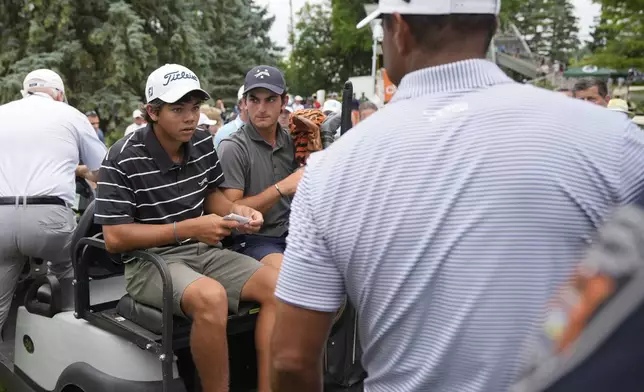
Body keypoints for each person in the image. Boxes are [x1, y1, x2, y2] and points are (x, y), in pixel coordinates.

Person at [269, 1, 644, 392]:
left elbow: (291, 359)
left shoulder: (332, 169)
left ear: (399, 29)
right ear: (492, 25)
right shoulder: (614, 139)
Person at [95, 63, 278, 392]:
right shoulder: (121, 156)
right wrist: (189, 228)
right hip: (149, 262)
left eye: (193, 108)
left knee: (282, 287)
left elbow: (211, 197)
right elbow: (114, 238)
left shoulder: (202, 142)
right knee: (211, 297)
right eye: (177, 109)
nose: (190, 117)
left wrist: (238, 212)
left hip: (204, 250)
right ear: (152, 112)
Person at [0, 69, 106, 338]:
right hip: (50, 216)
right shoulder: (70, 115)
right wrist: (83, 171)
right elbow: (103, 169)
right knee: (69, 272)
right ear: (59, 94)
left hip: (1, 215)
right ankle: (68, 338)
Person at [218, 66, 302, 271]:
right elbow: (233, 215)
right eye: (254, 99)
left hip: (296, 234)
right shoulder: (232, 147)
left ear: (284, 101)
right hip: (252, 240)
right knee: (292, 279)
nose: (261, 108)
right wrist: (281, 188)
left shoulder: (295, 140)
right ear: (244, 103)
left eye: (270, 99)